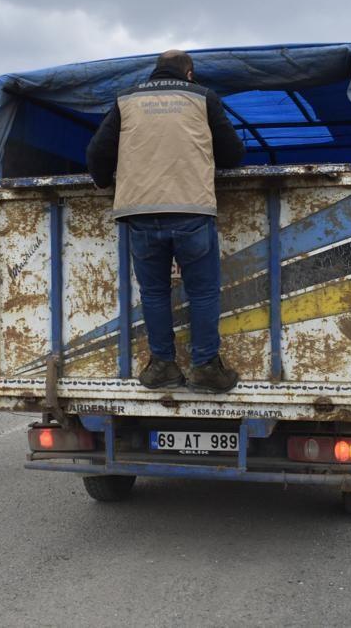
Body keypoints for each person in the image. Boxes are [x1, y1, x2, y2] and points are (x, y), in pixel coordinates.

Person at [86, 49, 245, 393]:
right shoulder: (203, 98)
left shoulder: (126, 100)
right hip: (191, 210)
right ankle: (205, 368)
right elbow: (233, 153)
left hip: (140, 213)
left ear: (156, 72)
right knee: (202, 293)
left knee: (155, 293)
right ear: (189, 74)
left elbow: (97, 152)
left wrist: (102, 180)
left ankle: (163, 366)